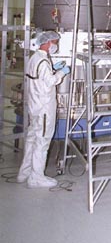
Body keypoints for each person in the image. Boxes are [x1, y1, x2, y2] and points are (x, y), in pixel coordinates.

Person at [17, 31, 70, 188]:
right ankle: (36, 178)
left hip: (34, 106)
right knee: (42, 141)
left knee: (32, 139)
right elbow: (50, 82)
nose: (55, 46)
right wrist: (61, 73)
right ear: (47, 43)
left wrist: (52, 68)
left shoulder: (35, 58)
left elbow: (38, 77)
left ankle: (24, 172)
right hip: (44, 108)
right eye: (55, 42)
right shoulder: (43, 61)